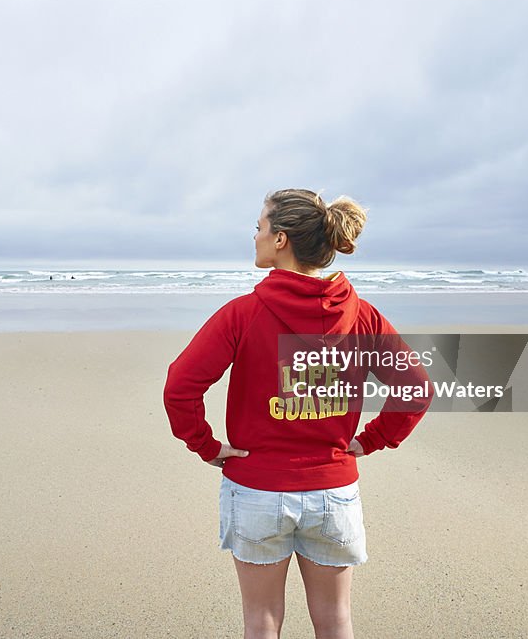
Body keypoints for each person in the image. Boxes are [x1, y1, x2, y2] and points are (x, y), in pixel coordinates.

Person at [163, 188, 433, 639]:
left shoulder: (243, 315)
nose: (255, 236)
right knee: (335, 620)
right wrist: (371, 439)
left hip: (256, 489)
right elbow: (416, 388)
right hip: (333, 492)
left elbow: (180, 386)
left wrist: (207, 446)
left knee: (262, 621)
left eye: (260, 227)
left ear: (281, 239)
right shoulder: (362, 316)